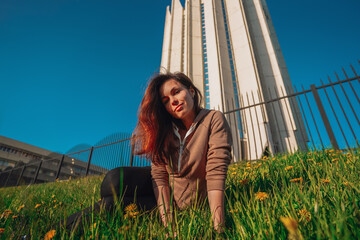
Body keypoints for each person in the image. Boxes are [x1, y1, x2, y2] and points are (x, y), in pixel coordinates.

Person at [63, 72, 232, 234]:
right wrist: (169, 224)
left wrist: (219, 228)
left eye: (176, 92)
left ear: (191, 91)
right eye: (166, 101)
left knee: (111, 205)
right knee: (113, 181)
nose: (173, 101)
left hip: (182, 202)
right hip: (161, 193)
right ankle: (56, 231)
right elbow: (159, 177)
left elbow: (216, 173)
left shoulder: (213, 119)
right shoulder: (165, 131)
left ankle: (59, 232)